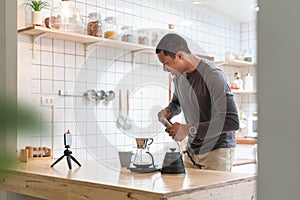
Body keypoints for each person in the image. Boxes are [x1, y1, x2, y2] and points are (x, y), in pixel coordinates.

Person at [156, 33, 239, 171]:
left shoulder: (212, 74)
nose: (165, 69)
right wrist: (169, 111)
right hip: (191, 152)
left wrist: (187, 129)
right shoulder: (178, 77)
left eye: (166, 63)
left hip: (217, 152)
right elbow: (177, 103)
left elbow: (232, 121)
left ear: (180, 55)